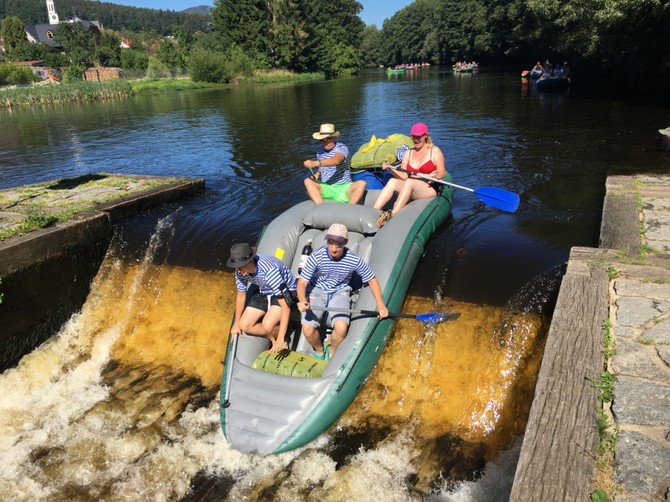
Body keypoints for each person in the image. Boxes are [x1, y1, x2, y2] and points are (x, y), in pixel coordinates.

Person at [296, 223, 388, 360]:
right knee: (308, 329)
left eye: (338, 244)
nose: (333, 249)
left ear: (345, 242)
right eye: (330, 243)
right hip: (317, 291)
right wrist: (302, 300)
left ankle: (332, 351)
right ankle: (320, 351)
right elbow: (302, 283)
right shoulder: (316, 257)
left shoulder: (353, 259)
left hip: (340, 291)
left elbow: (372, 280)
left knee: (341, 328)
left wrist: (380, 305)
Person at [373, 122, 447, 227]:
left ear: (425, 136)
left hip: (429, 187)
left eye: (419, 136)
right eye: (413, 137)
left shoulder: (434, 151)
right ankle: (373, 211)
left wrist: (435, 177)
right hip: (412, 185)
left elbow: (441, 172)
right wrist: (390, 169)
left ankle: (392, 215)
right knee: (392, 181)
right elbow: (404, 176)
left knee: (410, 182)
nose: (416, 139)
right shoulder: (408, 153)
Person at [228, 243, 297, 354]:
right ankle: (271, 337)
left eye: (241, 266)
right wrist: (236, 323)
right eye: (236, 267)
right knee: (244, 325)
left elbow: (285, 306)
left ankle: (284, 336)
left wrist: (280, 339)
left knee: (267, 325)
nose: (238, 270)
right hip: (265, 290)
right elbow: (241, 295)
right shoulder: (240, 271)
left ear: (250, 261)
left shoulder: (269, 270)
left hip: (286, 291)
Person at [303, 123, 366, 205]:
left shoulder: (342, 148)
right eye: (321, 140)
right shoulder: (320, 151)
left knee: (361, 183)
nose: (323, 142)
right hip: (328, 187)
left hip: (344, 187)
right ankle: (321, 208)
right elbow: (321, 167)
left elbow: (336, 160)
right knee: (308, 181)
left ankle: (350, 209)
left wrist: (315, 163)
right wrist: (317, 174)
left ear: (333, 138)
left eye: (325, 139)